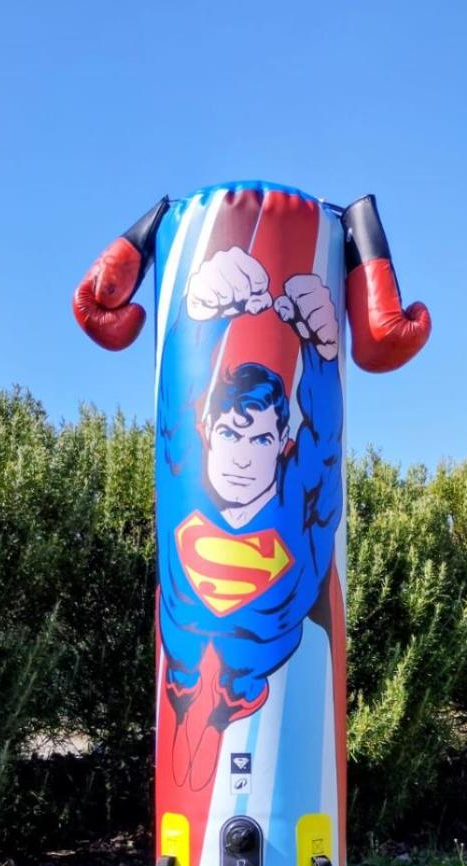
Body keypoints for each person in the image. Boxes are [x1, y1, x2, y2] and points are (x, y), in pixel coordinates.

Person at [157, 246, 343, 788]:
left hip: (260, 693)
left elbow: (324, 445)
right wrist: (200, 319)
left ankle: (229, 699)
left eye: (260, 438)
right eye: (230, 434)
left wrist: (322, 355)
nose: (242, 457)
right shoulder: (185, 488)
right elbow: (174, 411)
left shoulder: (297, 506)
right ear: (209, 435)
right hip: (188, 686)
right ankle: (191, 696)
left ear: (282, 442)